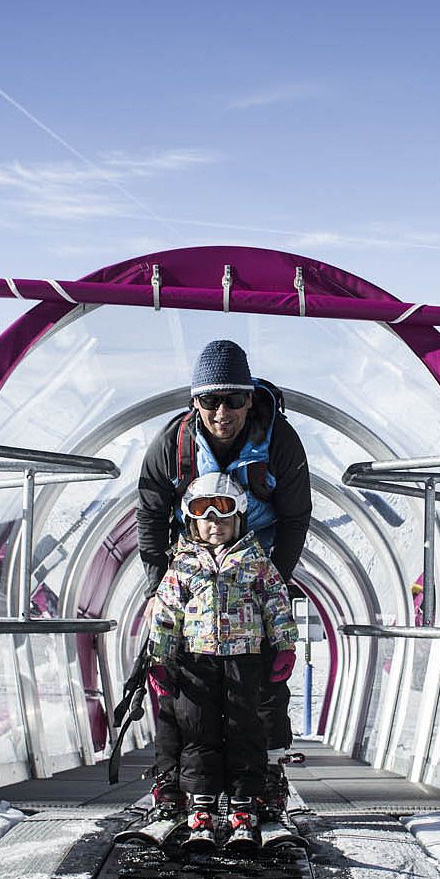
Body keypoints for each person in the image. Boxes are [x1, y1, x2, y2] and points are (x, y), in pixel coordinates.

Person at [137, 338, 312, 814]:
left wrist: (270, 578)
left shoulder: (280, 441)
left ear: (250, 397)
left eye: (233, 399)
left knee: (261, 685)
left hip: (256, 562)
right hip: (190, 566)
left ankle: (266, 775)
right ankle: (174, 779)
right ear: (195, 403)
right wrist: (159, 586)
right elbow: (151, 513)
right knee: (181, 683)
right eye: (210, 401)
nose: (222, 412)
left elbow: (295, 517)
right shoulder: (173, 444)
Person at [148, 473, 298, 845]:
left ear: (239, 517)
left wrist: (284, 645)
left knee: (244, 729)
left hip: (243, 660)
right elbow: (167, 613)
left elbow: (276, 603)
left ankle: (243, 803)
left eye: (224, 512)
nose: (214, 522)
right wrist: (161, 657)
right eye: (204, 513)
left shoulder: (256, 562)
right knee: (198, 731)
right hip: (196, 661)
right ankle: (201, 806)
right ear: (192, 520)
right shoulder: (181, 566)